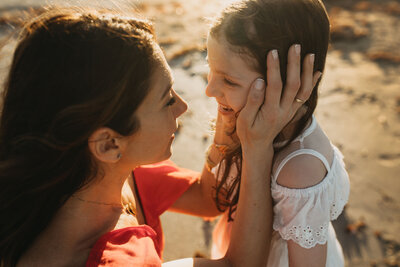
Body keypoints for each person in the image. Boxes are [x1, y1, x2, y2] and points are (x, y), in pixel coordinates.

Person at [0, 7, 314, 267]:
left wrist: (229, 114)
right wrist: (256, 146)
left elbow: (208, 198)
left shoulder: (110, 176)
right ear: (109, 144)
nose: (183, 106)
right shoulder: (119, 260)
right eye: (166, 99)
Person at [204, 0, 350, 266]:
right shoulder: (236, 113)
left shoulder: (299, 169)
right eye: (210, 69)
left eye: (228, 80)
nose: (210, 90)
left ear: (288, 83)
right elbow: (211, 192)